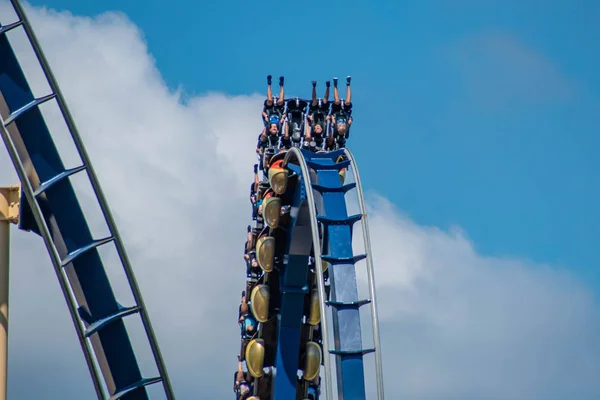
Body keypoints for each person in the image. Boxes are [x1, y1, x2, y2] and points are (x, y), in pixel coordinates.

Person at [328, 76, 353, 145]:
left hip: (336, 111)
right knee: (347, 102)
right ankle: (348, 84)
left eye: (339, 126)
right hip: (345, 112)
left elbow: (331, 118)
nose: (341, 124)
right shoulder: (347, 124)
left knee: (337, 101)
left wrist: (332, 118)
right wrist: (350, 121)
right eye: (342, 125)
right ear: (345, 127)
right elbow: (351, 119)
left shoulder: (334, 124)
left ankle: (335, 85)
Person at [305, 80, 331, 146]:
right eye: (319, 128)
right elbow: (329, 118)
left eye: (316, 129)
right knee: (325, 100)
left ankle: (314, 87)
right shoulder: (324, 124)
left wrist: (309, 117)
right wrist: (329, 118)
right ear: (322, 128)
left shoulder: (312, 123)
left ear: (314, 129)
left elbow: (307, 117)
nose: (317, 127)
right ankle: (328, 87)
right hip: (323, 111)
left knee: (314, 101)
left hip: (314, 110)